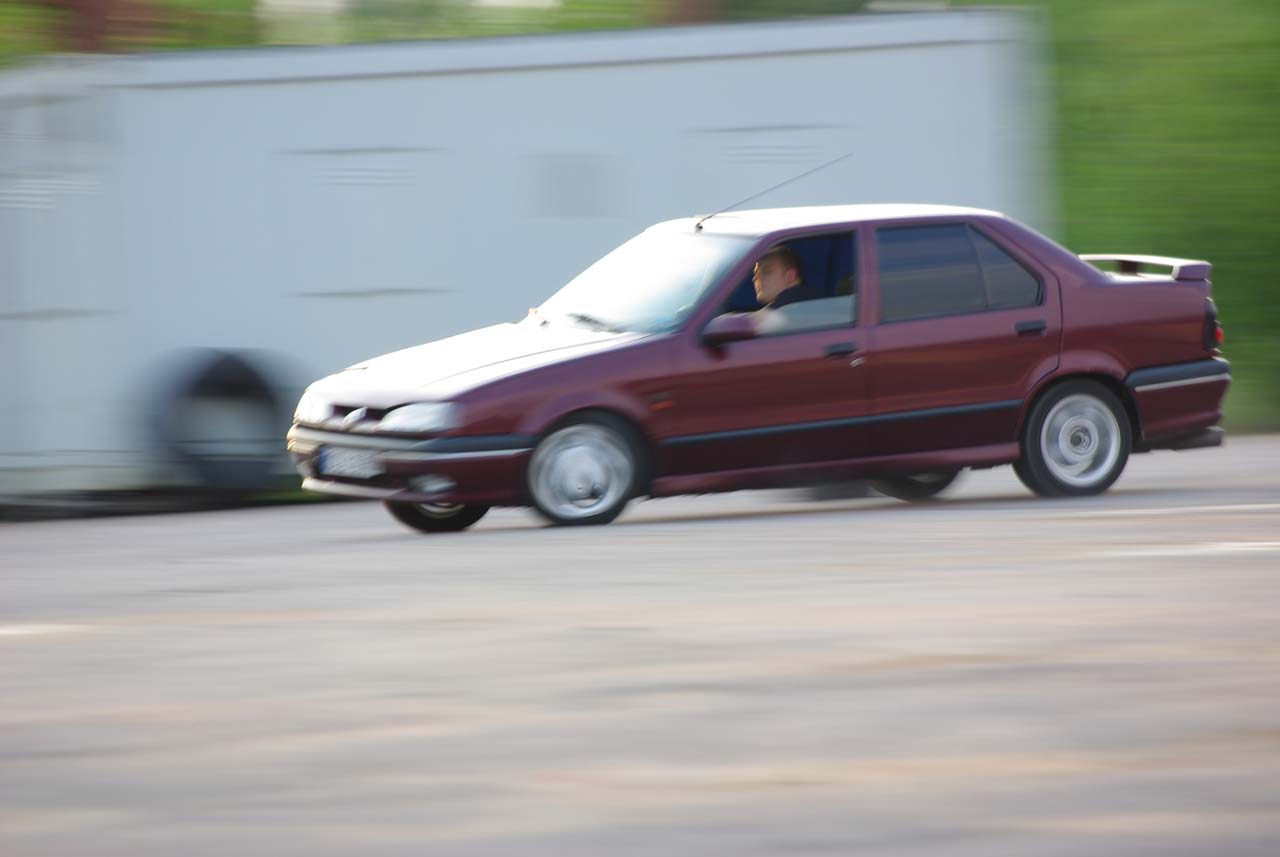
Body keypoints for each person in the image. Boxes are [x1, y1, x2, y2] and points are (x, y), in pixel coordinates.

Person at [752, 244, 822, 309]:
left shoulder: (784, 307)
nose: (755, 278)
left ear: (790, 276)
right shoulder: (818, 303)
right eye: (755, 273)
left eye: (766, 271)